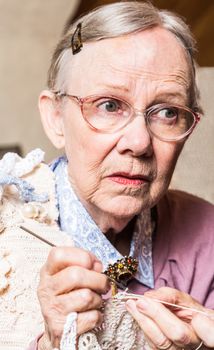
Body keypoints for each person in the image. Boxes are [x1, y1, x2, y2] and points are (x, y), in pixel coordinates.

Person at [0, 1, 213, 350]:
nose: (139, 142)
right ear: (55, 118)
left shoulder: (208, 234)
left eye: (167, 112)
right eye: (109, 105)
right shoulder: (7, 236)